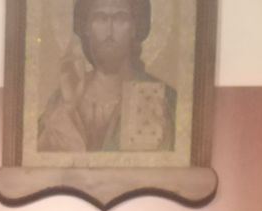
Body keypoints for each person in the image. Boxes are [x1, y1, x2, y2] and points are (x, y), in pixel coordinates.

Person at [37, 0, 177, 154]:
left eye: (120, 18)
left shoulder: (161, 97)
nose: (109, 30)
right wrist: (69, 107)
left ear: (134, 28)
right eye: (100, 18)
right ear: (87, 27)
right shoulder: (62, 100)